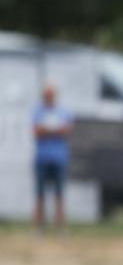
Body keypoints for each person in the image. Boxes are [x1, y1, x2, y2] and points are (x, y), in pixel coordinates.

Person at [32, 85, 73, 232]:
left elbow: (66, 130)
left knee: (59, 194)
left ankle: (60, 226)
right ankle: (39, 226)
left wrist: (47, 129)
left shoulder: (63, 111)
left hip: (59, 158)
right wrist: (55, 129)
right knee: (39, 194)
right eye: (46, 95)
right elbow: (37, 131)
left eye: (50, 95)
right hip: (42, 158)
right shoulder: (37, 110)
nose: (48, 97)